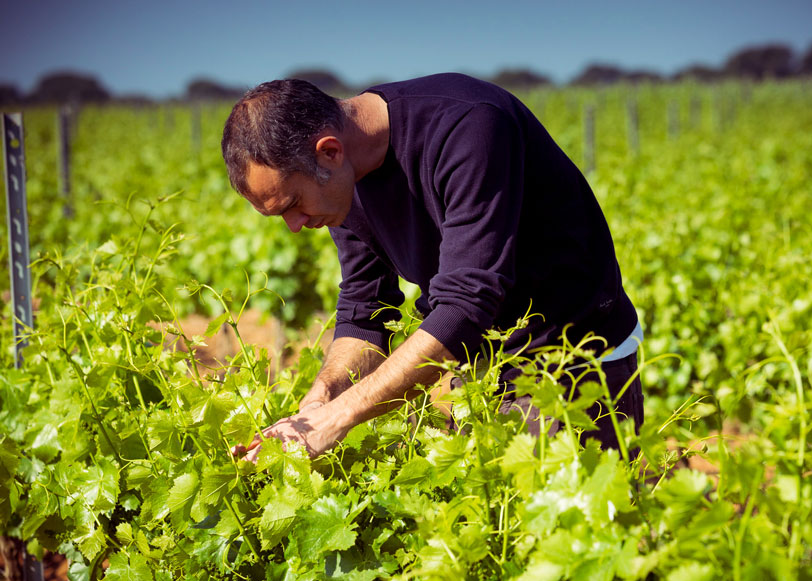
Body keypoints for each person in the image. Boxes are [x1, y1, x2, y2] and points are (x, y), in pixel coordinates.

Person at [222, 73, 643, 461]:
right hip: (479, 368)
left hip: (571, 364)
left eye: (292, 205)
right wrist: (322, 399)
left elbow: (465, 306)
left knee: (547, 529)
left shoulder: (469, 128)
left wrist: (338, 419)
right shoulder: (343, 181)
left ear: (329, 151)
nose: (294, 227)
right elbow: (365, 312)